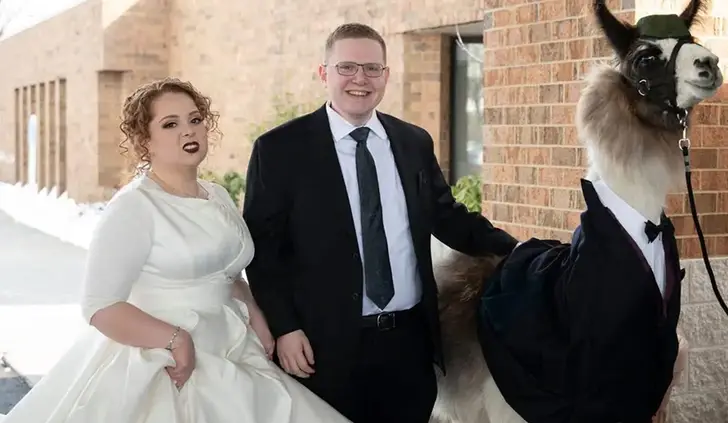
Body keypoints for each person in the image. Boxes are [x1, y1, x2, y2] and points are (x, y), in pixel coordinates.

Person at [0, 78, 351, 423]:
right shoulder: (134, 206)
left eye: (195, 120)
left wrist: (256, 313)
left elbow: (225, 272)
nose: (188, 131)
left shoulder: (216, 195)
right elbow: (100, 306)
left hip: (233, 346)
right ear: (144, 141)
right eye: (170, 124)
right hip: (165, 359)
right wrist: (175, 340)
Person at [243, 23, 519, 423]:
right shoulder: (280, 150)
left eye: (372, 68)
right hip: (322, 347)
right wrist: (285, 328)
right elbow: (263, 252)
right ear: (324, 73)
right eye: (347, 67)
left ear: (386, 75)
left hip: (408, 345)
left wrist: (521, 252)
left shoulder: (413, 142)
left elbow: (449, 217)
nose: (361, 79)